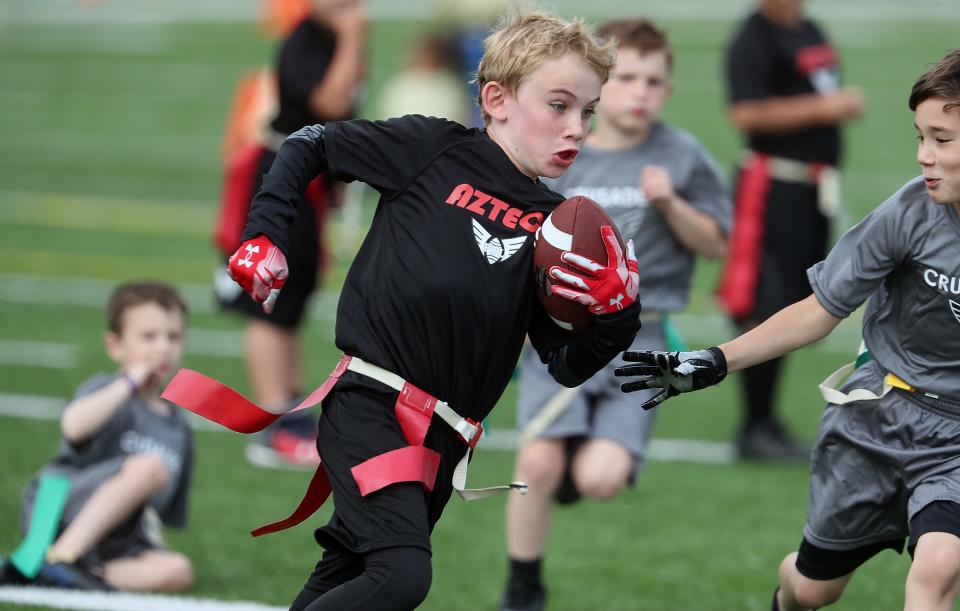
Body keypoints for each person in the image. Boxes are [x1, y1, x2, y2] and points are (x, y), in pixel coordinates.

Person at [170, 9, 642, 610]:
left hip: (445, 441)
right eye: (558, 105)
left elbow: (565, 363)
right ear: (495, 98)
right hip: (372, 404)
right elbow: (309, 142)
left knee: (344, 579)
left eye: (588, 111)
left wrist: (617, 315)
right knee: (401, 575)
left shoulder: (555, 230)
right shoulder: (434, 149)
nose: (577, 127)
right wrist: (264, 233)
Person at [615, 49, 960, 611]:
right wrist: (715, 360)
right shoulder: (907, 215)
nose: (924, 155)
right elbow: (819, 310)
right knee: (812, 588)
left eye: (942, 139)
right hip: (877, 419)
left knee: (939, 568)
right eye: (920, 137)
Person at [498, 18, 731, 611]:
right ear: (600, 85)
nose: (641, 92)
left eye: (654, 81)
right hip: (560, 335)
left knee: (601, 479)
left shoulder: (681, 156)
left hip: (642, 339)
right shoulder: (561, 151)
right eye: (627, 78)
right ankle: (523, 582)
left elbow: (714, 243)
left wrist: (670, 203)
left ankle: (579, 468)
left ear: (668, 91)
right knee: (535, 459)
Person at [213, 0, 367, 470]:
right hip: (280, 176)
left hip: (310, 182)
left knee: (294, 296)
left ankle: (291, 410)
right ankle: (271, 423)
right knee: (267, 297)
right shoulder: (305, 39)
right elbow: (333, 103)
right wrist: (355, 36)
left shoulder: (333, 33)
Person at [716, 0, 864, 461]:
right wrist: (826, 108)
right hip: (772, 186)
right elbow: (746, 114)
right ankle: (754, 424)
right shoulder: (753, 35)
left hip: (812, 190)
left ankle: (767, 420)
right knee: (765, 299)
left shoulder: (809, 27)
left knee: (799, 296)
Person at [3, 282, 194, 592]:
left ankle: (59, 574)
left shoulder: (178, 425)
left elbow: (156, 514)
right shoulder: (107, 389)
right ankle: (60, 557)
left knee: (177, 570)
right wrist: (129, 383)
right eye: (149, 336)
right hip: (59, 506)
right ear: (115, 345)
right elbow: (73, 426)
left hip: (117, 536)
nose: (163, 347)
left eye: (173, 337)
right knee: (150, 468)